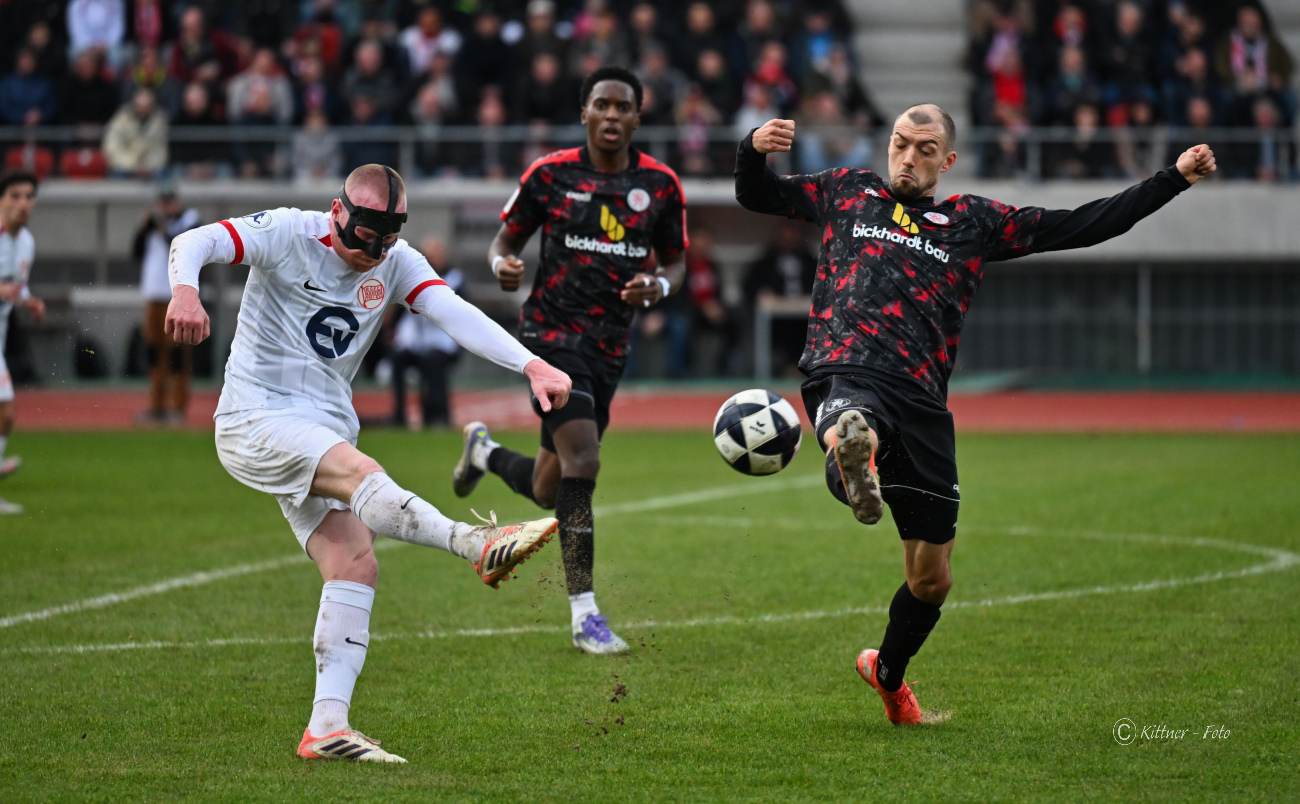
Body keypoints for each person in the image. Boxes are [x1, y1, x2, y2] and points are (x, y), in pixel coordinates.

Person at [734, 106, 1215, 726]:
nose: (909, 157)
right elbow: (755, 194)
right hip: (846, 366)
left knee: (931, 580)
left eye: (925, 149)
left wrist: (1173, 178)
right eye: (900, 143)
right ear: (888, 144)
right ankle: (853, 455)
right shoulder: (845, 190)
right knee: (854, 422)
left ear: (948, 161)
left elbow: (1082, 225)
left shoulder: (973, 222)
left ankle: (888, 675)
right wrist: (753, 147)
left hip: (923, 404)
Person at [164, 164, 572, 762]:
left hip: (326, 423)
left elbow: (452, 312)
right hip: (256, 415)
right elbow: (193, 240)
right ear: (337, 212)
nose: (373, 251)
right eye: (363, 236)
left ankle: (327, 727)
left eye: (386, 239)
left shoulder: (395, 260)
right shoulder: (288, 231)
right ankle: (475, 543)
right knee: (363, 474)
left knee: (354, 563)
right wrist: (185, 290)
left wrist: (531, 365)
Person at [453, 67, 688, 654]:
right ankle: (585, 615)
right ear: (584, 112)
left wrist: (659, 286)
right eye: (602, 104)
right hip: (551, 338)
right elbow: (505, 241)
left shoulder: (660, 185)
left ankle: (482, 452)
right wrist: (502, 265)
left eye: (623, 107)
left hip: (610, 345)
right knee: (584, 457)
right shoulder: (549, 175)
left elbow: (676, 262)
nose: (612, 115)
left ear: (637, 118)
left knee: (547, 487)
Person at [134, 185, 201, 424]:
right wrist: (144, 228)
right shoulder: (153, 225)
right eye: (163, 201)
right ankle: (157, 405)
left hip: (178, 296)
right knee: (154, 352)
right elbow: (135, 252)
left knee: (177, 353)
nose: (166, 206)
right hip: (154, 296)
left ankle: (178, 406)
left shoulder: (189, 221)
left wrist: (163, 229)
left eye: (170, 201)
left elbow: (181, 248)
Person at [0, 170, 44, 515]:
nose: (23, 203)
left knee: (5, 415)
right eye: (15, 196)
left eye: (29, 196)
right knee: (5, 411)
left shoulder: (26, 241)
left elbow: (18, 285)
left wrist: (29, 301)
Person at [388, 237, 464, 428]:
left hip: (444, 342)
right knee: (398, 358)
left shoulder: (455, 279)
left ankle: (438, 414)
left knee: (432, 360)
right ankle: (399, 414)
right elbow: (400, 310)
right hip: (419, 341)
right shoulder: (413, 277)